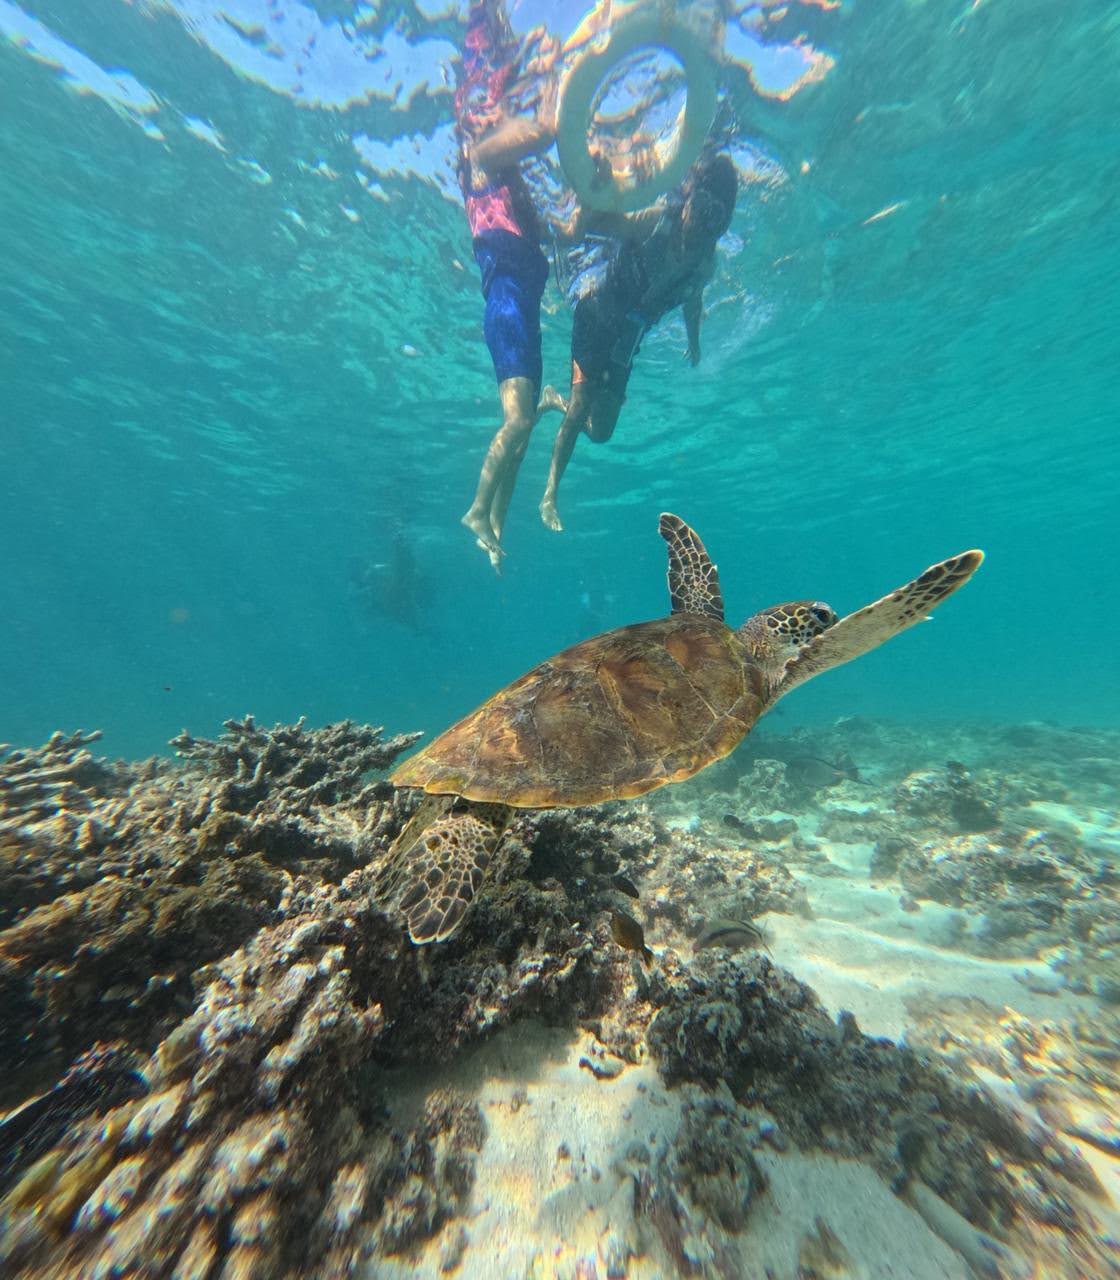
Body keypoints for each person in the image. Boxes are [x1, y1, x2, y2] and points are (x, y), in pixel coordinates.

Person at [538, 151, 738, 533]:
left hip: (628, 336)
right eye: (700, 206)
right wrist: (593, 195)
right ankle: (549, 494)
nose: (701, 222)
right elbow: (614, 224)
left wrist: (694, 340)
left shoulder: (704, 264)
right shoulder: (655, 223)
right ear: (688, 200)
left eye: (715, 217)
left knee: (600, 432)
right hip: (598, 309)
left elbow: (692, 300)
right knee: (581, 407)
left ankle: (552, 400)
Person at [455, 0, 565, 572]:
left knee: (520, 433)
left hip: (521, 310)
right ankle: (477, 510)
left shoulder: (512, 196)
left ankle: (492, 525)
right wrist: (554, 70)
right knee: (517, 422)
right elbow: (544, 129)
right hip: (507, 308)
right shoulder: (480, 158)